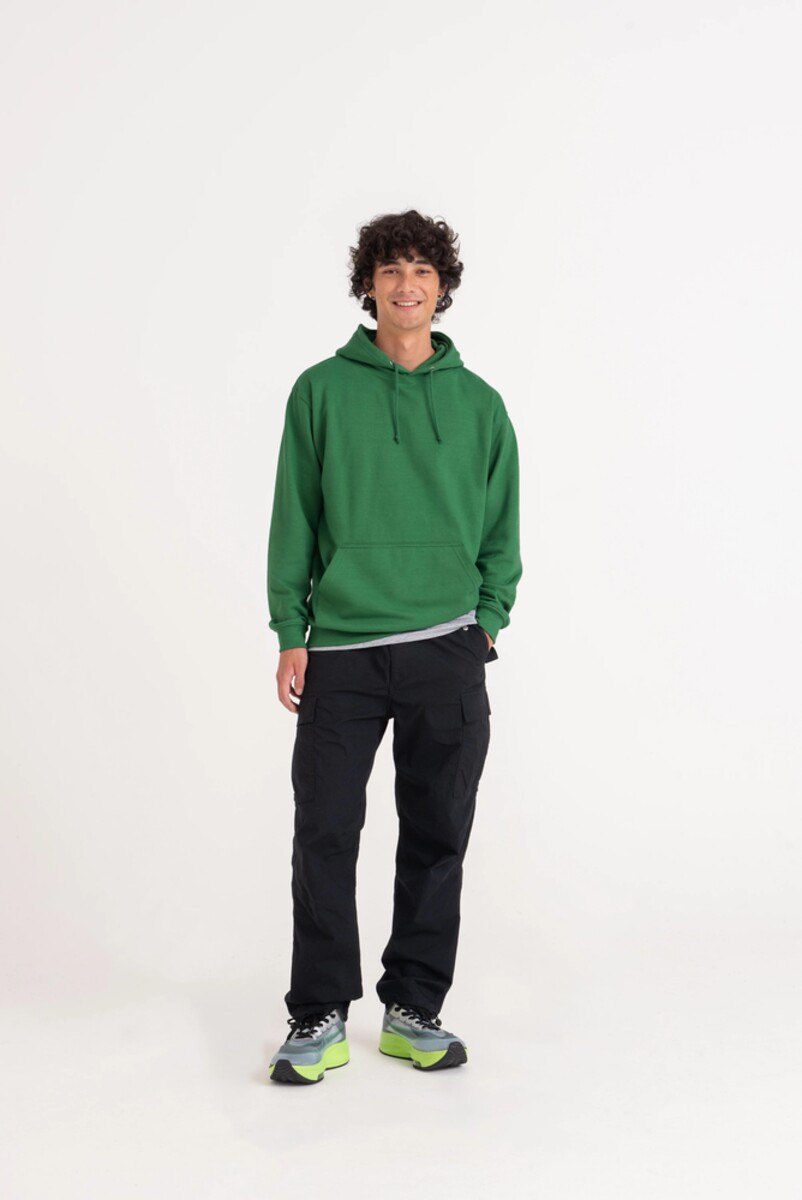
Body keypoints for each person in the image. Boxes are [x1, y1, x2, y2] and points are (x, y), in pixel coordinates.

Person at [265, 209, 522, 1084]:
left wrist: (488, 619)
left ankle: (414, 1007)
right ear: (367, 285)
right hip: (340, 652)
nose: (406, 284)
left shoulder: (480, 404)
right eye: (389, 270)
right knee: (324, 835)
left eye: (421, 269)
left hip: (446, 649)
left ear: (442, 287)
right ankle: (319, 1014)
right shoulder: (320, 392)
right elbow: (294, 518)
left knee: (438, 834)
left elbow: (503, 530)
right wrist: (290, 632)